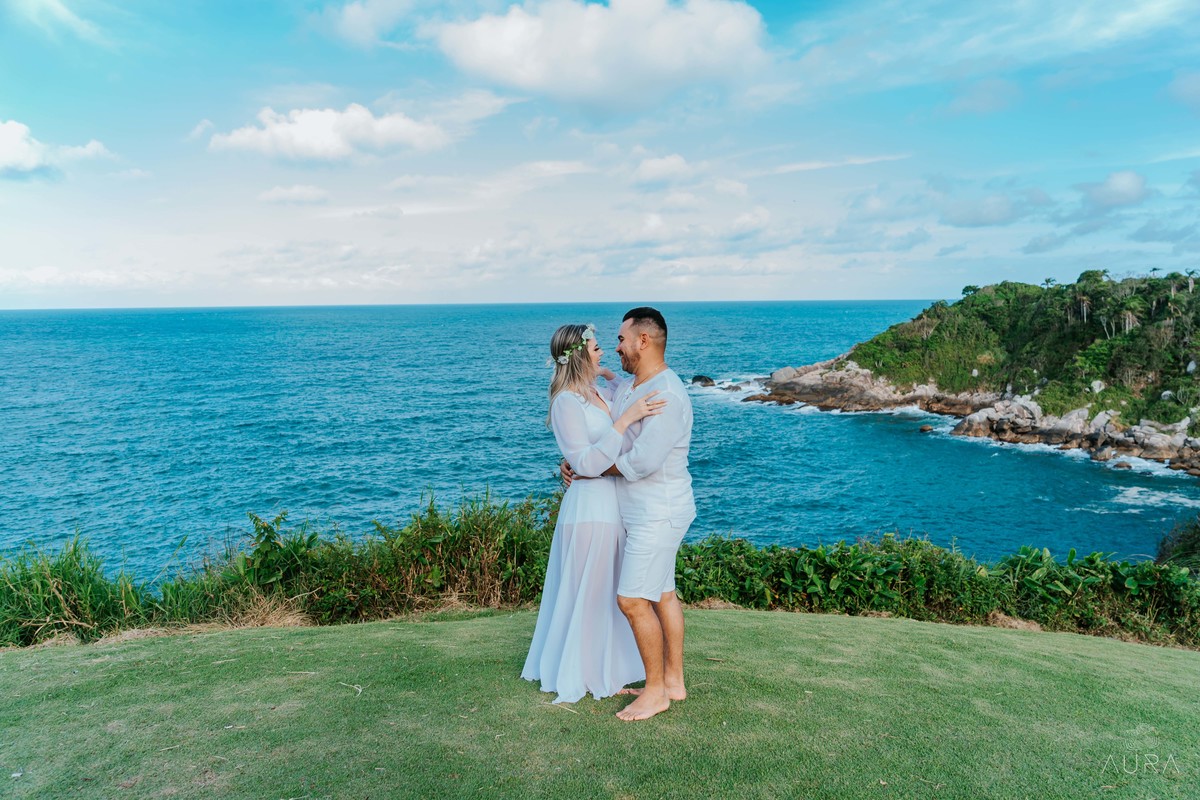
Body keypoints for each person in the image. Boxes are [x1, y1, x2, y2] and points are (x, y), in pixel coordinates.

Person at [521, 322, 667, 703]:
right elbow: (584, 461)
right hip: (589, 508)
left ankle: (608, 665)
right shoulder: (566, 401)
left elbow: (622, 396)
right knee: (589, 593)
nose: (604, 351)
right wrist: (624, 422)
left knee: (607, 594)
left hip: (611, 504)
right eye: (597, 348)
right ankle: (583, 669)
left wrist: (603, 374)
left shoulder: (595, 391)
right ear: (580, 353)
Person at [563, 307, 695, 722]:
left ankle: (655, 692)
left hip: (659, 511)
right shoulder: (634, 384)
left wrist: (588, 470)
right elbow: (612, 396)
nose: (615, 346)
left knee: (632, 600)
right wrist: (577, 460)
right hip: (644, 511)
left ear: (644, 341)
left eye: (620, 339)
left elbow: (641, 462)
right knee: (664, 595)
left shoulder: (667, 396)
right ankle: (673, 681)